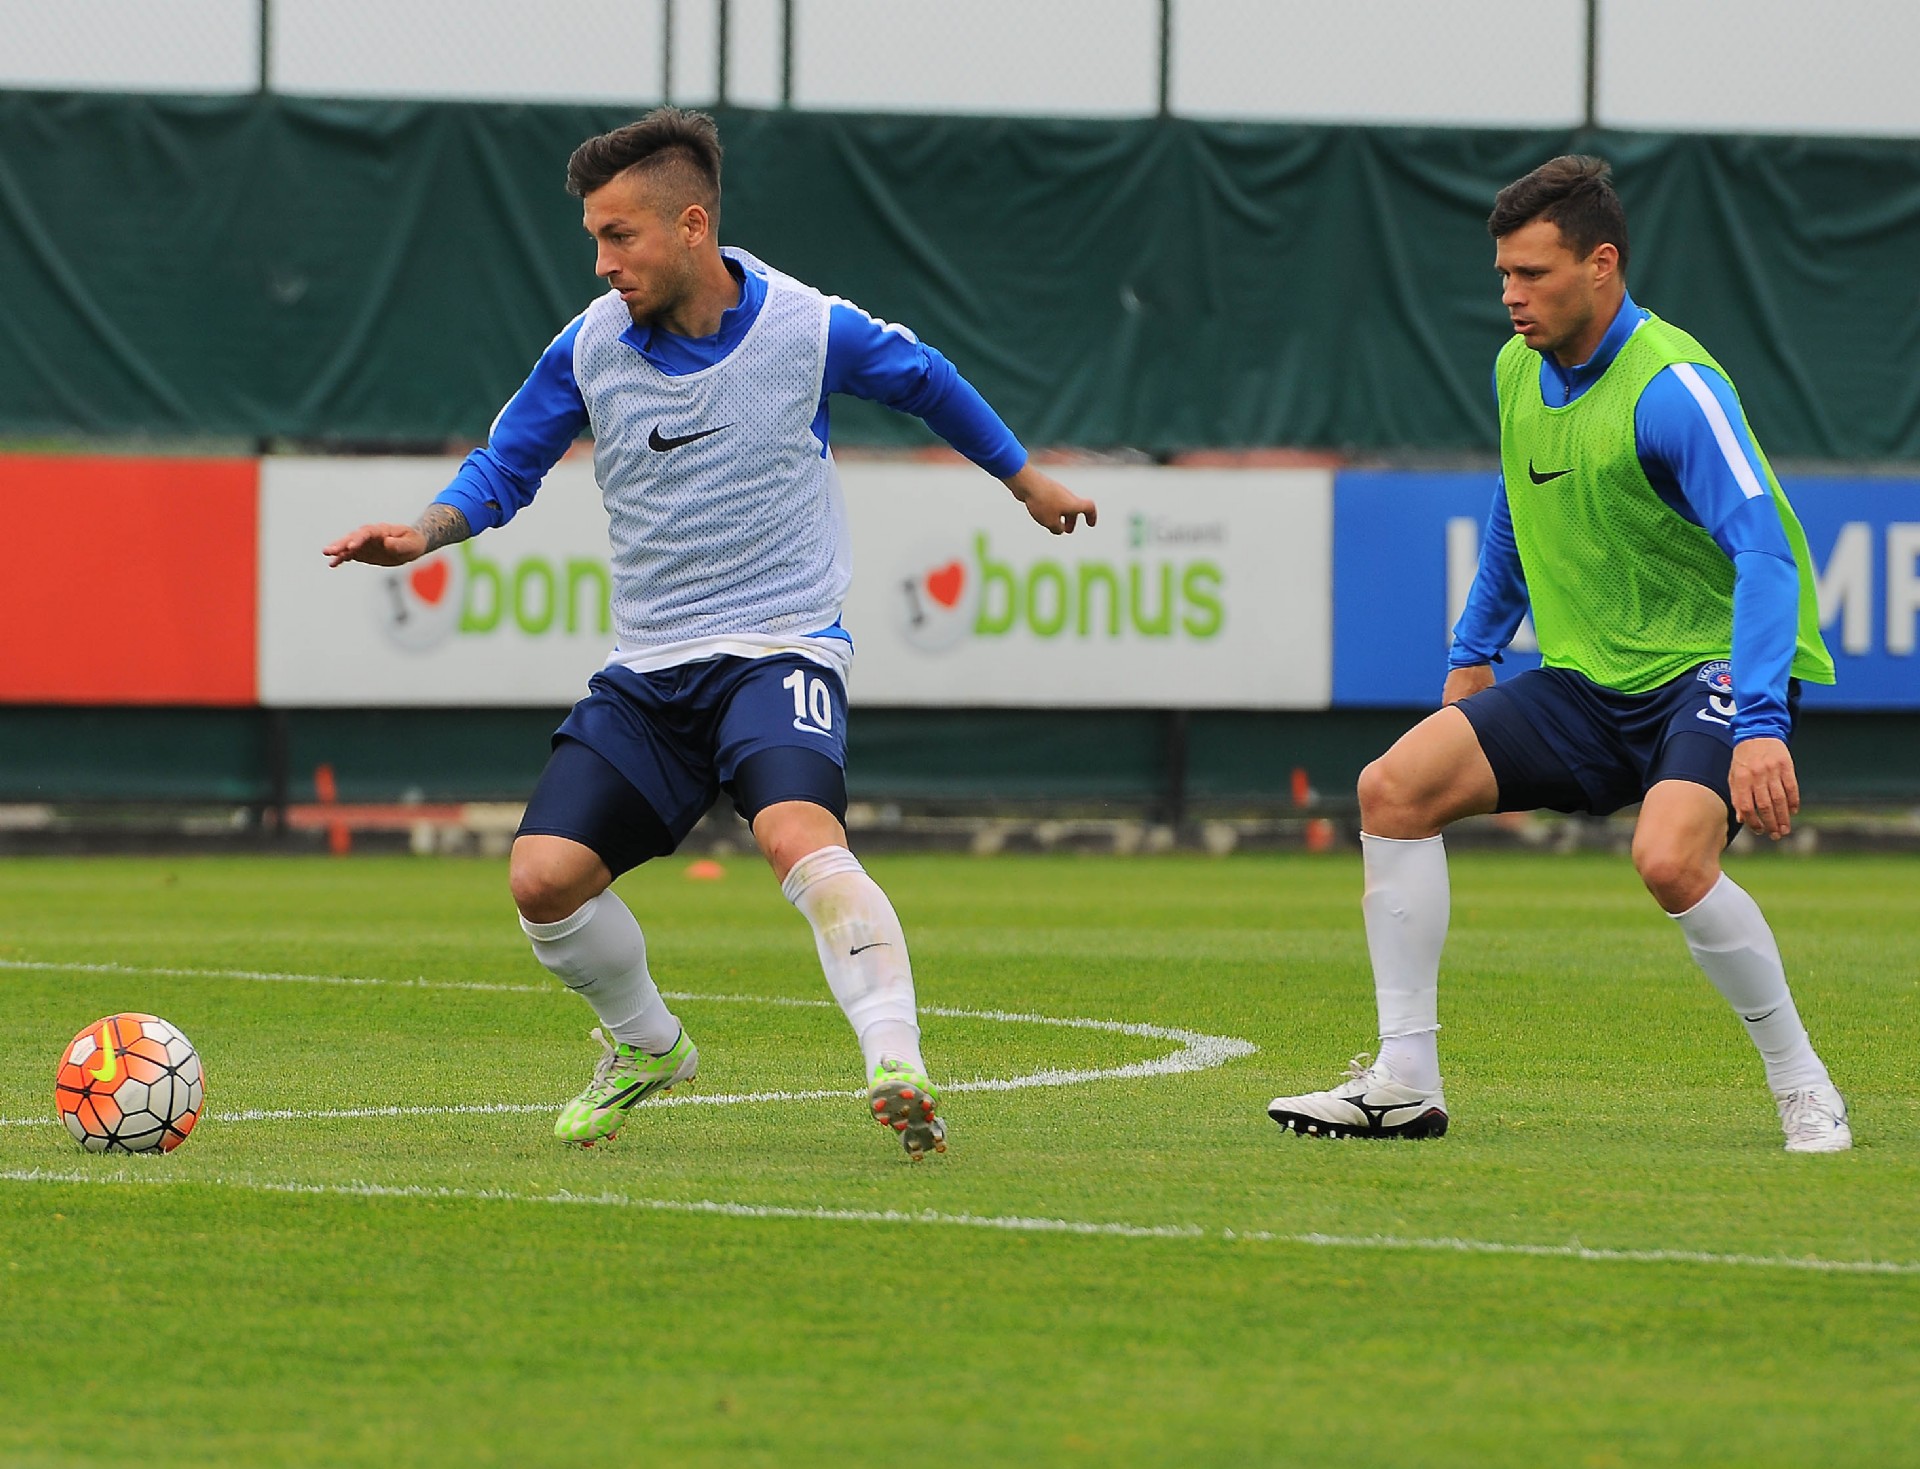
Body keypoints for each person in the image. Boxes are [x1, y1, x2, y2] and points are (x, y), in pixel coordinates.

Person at [323, 108, 1095, 1159]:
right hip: (649, 670)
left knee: (797, 836)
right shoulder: (590, 347)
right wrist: (422, 532)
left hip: (780, 646)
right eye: (595, 239)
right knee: (542, 879)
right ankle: (648, 1044)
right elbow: (506, 465)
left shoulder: (808, 328)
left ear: (692, 225)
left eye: (620, 236)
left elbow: (925, 378)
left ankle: (896, 1060)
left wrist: (1026, 480)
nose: (603, 264)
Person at [1267, 155, 1850, 1154]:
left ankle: (1804, 1084)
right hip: (1588, 682)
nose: (1511, 295)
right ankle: (1404, 1079)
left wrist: (1760, 719)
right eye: (1503, 273)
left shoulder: (1673, 387)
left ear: (1601, 265)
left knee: (1668, 859)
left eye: (1532, 273)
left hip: (1707, 671)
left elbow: (1764, 552)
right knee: (1392, 788)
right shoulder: (1516, 369)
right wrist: (1474, 649)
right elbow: (1515, 504)